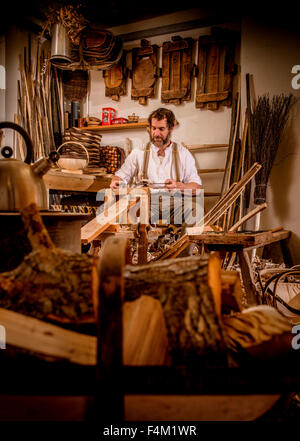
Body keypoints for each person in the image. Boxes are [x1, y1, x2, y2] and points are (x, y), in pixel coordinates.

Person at [110, 108, 203, 226]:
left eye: (161, 129)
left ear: (171, 129)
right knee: (126, 213)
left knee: (195, 211)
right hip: (145, 203)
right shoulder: (139, 152)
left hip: (174, 204)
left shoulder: (183, 153)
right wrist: (116, 181)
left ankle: (181, 245)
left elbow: (197, 188)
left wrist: (179, 186)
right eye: (154, 128)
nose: (156, 134)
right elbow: (121, 176)